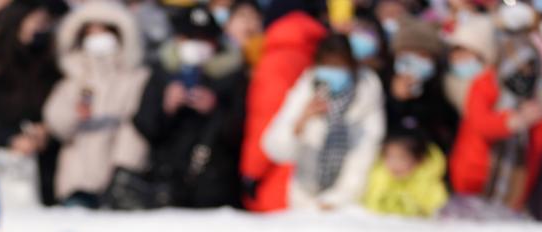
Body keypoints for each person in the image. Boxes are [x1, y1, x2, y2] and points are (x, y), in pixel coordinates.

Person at [133, 5, 247, 208]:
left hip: (216, 187)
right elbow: (145, 125)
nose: (196, 45)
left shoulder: (233, 77)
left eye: (204, 39)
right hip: (165, 183)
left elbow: (241, 132)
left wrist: (215, 110)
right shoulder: (163, 72)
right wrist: (166, 108)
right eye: (189, 38)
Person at [41, 0, 150, 207]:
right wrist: (74, 115)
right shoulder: (72, 82)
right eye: (90, 32)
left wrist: (125, 167)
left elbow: (137, 127)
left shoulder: (137, 79)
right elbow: (56, 122)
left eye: (104, 31)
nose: (97, 38)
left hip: (122, 177)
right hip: (77, 178)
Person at [261, 33, 385, 210]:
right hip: (304, 195)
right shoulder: (308, 87)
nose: (332, 71)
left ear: (351, 66)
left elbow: (365, 151)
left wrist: (340, 197)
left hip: (348, 200)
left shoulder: (366, 90)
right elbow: (275, 149)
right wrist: (301, 121)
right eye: (326, 64)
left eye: (338, 65)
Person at [0, 0, 64, 205]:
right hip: (0, 165)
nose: (39, 28)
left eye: (44, 22)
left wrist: (48, 130)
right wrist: (9, 138)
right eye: (34, 21)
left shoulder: (53, 65)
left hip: (46, 166)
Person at [449, 36, 542, 213]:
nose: (524, 74)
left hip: (514, 186)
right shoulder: (486, 83)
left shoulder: (538, 94)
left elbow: (537, 149)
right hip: (474, 175)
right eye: (519, 67)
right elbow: (480, 124)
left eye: (530, 68)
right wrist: (513, 121)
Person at [240, 0, 327, 212]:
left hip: (278, 178)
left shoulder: (276, 60)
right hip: (315, 176)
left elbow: (264, 119)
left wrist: (251, 172)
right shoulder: (320, 51)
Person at [386, 16, 458, 152]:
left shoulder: (443, 88)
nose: (414, 61)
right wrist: (396, 99)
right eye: (407, 54)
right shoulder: (383, 83)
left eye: (422, 55)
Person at [362, 132, 449, 217]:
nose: (395, 164)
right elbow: (370, 202)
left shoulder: (427, 181)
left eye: (402, 158)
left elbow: (437, 208)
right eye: (390, 157)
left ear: (419, 159)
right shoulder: (379, 176)